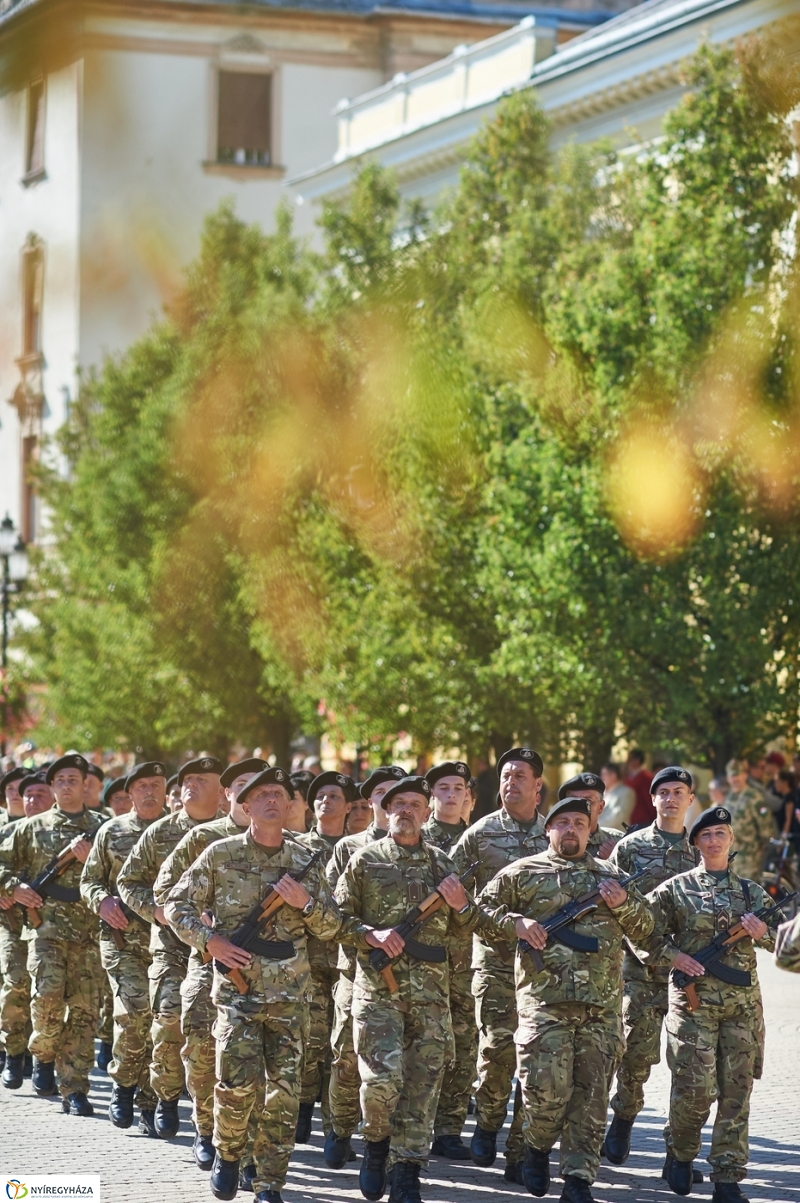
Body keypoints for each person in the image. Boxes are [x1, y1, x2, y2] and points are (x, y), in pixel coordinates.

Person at [164, 765, 341, 1203]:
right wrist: (213, 943)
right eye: (262, 795)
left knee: (283, 1095)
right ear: (245, 806)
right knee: (237, 1085)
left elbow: (332, 925)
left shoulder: (305, 860)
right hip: (236, 995)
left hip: (290, 997)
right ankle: (228, 1154)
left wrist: (308, 903)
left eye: (280, 794)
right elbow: (175, 905)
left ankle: (269, 1182)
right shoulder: (221, 854)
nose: (273, 800)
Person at [476, 796, 653, 1203]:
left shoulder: (612, 878)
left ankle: (578, 1180)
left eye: (579, 822)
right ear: (548, 830)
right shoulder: (521, 873)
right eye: (563, 823)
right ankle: (536, 1148)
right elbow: (479, 913)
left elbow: (646, 928)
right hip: (543, 1004)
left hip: (602, 1009)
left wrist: (623, 905)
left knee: (591, 1099)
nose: (571, 828)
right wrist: (515, 923)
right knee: (545, 1092)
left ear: (591, 831)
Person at [335, 775, 476, 1203]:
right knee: (380, 1082)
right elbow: (335, 920)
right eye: (398, 804)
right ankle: (376, 1145)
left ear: (427, 811)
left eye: (415, 804)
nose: (406, 810)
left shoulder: (443, 865)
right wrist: (371, 935)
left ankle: (407, 1171)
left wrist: (461, 905)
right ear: (385, 810)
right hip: (379, 991)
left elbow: (471, 927)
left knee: (423, 1085)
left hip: (431, 996)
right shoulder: (364, 860)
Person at [636, 806, 781, 1201]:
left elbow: (785, 943)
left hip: (742, 1008)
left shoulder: (751, 892)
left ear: (731, 840)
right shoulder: (674, 889)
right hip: (692, 1006)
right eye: (706, 835)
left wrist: (764, 931)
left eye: (721, 833)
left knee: (736, 1093)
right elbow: (640, 931)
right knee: (695, 1090)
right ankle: (680, 1155)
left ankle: (728, 1176)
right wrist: (673, 957)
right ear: (695, 843)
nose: (714, 840)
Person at [153, 757, 265, 1172]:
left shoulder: (290, 842)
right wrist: (203, 931)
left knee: (258, 1060)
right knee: (201, 1045)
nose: (253, 791)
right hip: (209, 961)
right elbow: (166, 894)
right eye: (243, 785)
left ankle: (248, 1145)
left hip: (269, 971)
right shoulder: (205, 838)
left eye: (262, 785)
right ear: (228, 794)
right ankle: (206, 1129)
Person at [451, 747, 549, 1182]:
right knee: (497, 1050)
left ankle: (519, 1150)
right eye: (506, 775)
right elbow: (454, 892)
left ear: (538, 785)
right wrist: (491, 922)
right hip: (494, 962)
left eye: (520, 776)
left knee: (537, 1058)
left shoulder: (556, 833)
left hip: (545, 969)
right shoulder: (480, 834)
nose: (511, 782)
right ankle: (488, 1120)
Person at [118, 754, 223, 1139]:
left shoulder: (232, 832)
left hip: (217, 949)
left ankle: (205, 1115)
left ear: (221, 788)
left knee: (208, 1033)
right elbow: (128, 882)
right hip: (170, 945)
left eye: (202, 779)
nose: (190, 786)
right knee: (167, 1019)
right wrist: (157, 912)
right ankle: (163, 1097)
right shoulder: (161, 832)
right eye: (187, 779)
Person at [602, 767, 701, 1176]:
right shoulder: (630, 847)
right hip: (641, 968)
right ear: (654, 798)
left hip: (689, 976)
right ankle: (623, 1119)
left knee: (690, 1064)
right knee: (635, 1055)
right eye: (664, 792)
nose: (672, 799)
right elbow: (613, 905)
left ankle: (676, 1154)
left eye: (679, 792)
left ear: (691, 800)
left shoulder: (702, 848)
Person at [0, 752, 104, 1114]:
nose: (66, 785)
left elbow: (121, 873)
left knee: (84, 1013)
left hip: (90, 935)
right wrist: (14, 887)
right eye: (60, 780)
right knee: (46, 1002)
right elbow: (2, 863)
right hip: (46, 931)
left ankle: (74, 1089)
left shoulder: (102, 828)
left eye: (73, 779)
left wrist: (91, 856)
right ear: (53, 786)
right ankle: (42, 1054)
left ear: (84, 784)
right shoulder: (32, 827)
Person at [324, 765, 406, 1169]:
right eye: (383, 793)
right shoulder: (349, 848)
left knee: (397, 1062)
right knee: (346, 1055)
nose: (391, 800)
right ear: (372, 801)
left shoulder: (421, 847)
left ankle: (388, 1142)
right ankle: (339, 1127)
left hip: (410, 977)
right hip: (355, 971)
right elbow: (331, 912)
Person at [80, 760, 167, 1135]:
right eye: (141, 786)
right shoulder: (111, 831)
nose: (149, 791)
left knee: (162, 1023)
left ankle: (150, 1101)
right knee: (134, 1012)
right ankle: (123, 1083)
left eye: (156, 785)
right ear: (129, 793)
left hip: (168, 945)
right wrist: (103, 901)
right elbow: (90, 881)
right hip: (123, 942)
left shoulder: (178, 831)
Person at [295, 770, 357, 1144]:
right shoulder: (298, 846)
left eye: (335, 796)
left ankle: (338, 1127)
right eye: (320, 795)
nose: (326, 801)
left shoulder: (359, 849)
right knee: (311, 1040)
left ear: (349, 806)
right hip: (310, 960)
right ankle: (302, 1112)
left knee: (344, 1045)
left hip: (348, 961)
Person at [421, 761, 475, 1160]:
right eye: (443, 787)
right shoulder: (417, 840)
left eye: (459, 787)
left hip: (466, 956)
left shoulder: (479, 839)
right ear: (430, 796)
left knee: (464, 1039)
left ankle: (450, 1128)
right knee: (425, 1043)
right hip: (423, 959)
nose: (451, 794)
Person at [0, 768, 31, 1089]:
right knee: (13, 981)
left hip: (43, 920)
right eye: (11, 788)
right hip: (5, 920)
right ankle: (12, 1051)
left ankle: (35, 1052)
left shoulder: (42, 827)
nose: (16, 793)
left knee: (35, 987)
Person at [724, 759, 775, 883]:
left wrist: (763, 847)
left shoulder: (754, 797)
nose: (735, 779)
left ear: (745, 775)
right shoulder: (730, 797)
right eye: (732, 775)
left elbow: (766, 826)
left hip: (749, 856)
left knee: (748, 892)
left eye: (738, 775)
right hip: (730, 855)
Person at [558, 772, 622, 860]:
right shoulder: (547, 839)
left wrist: (615, 859)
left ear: (600, 807)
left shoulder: (619, 842)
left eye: (587, 801)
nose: (579, 807)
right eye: (573, 800)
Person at [600, 764, 636, 831]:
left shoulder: (626, 792)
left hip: (617, 835)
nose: (602, 777)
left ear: (613, 776)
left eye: (604, 774)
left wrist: (595, 825)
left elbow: (618, 816)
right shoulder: (602, 793)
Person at [624, 750, 656, 826]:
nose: (627, 762)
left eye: (630, 759)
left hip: (643, 819)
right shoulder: (627, 777)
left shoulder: (646, 778)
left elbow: (649, 800)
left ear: (637, 760)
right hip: (630, 818)